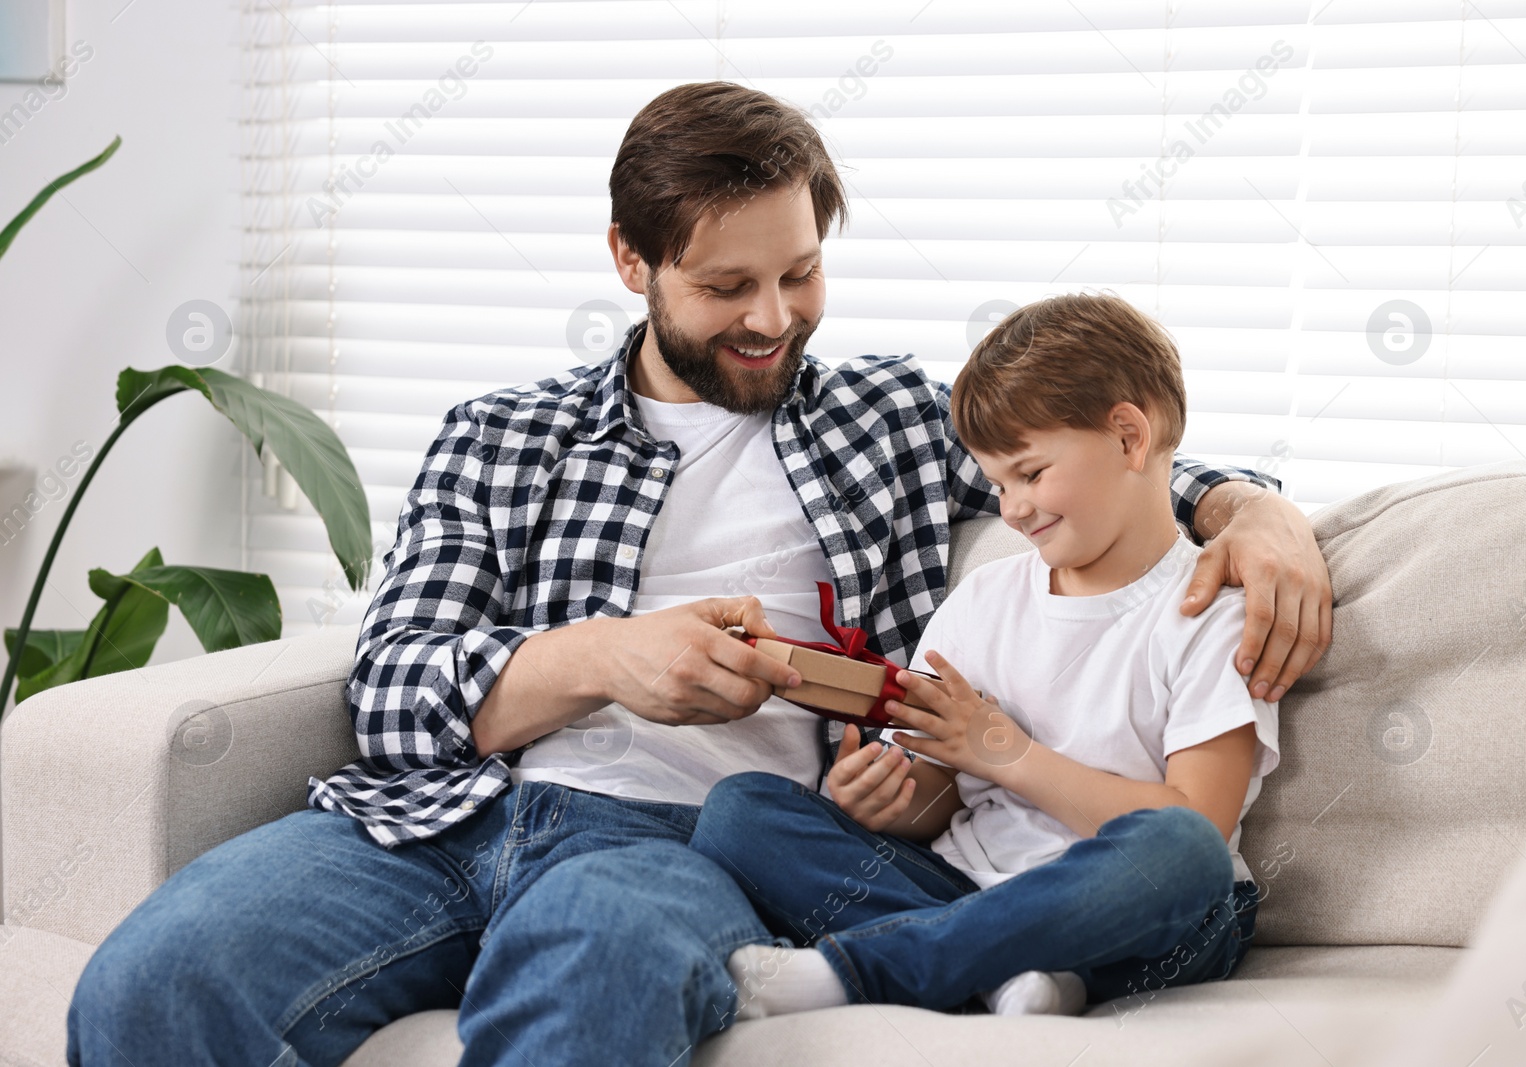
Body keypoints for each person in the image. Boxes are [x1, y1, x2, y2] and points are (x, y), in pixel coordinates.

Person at [65, 83, 1328, 1067]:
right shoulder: (501, 433)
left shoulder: (888, 413)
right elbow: (392, 695)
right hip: (437, 820)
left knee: (591, 976)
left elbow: (1100, 458)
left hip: (682, 844)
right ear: (632, 261)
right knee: (152, 982)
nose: (773, 317)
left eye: (800, 273)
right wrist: (605, 658)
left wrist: (1251, 506)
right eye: (727, 285)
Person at [690, 293, 1280, 1021]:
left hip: (1134, 924)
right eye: (997, 483)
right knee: (739, 810)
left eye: (1030, 474)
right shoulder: (984, 599)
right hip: (965, 884)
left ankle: (880, 968)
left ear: (1129, 437)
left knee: (1182, 850)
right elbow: (939, 796)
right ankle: (1002, 971)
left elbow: (1200, 819)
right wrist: (890, 803)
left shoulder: (1209, 618)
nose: (1011, 508)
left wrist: (1006, 753)